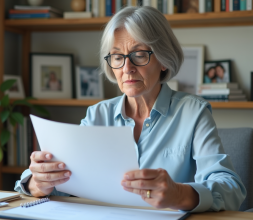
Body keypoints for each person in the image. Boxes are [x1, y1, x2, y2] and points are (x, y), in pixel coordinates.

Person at [14, 6, 246, 212]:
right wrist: (38, 182)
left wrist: (179, 194)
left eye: (139, 55)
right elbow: (67, 181)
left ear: (164, 59)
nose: (127, 68)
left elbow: (231, 189)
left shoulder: (193, 113)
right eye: (117, 57)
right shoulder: (98, 115)